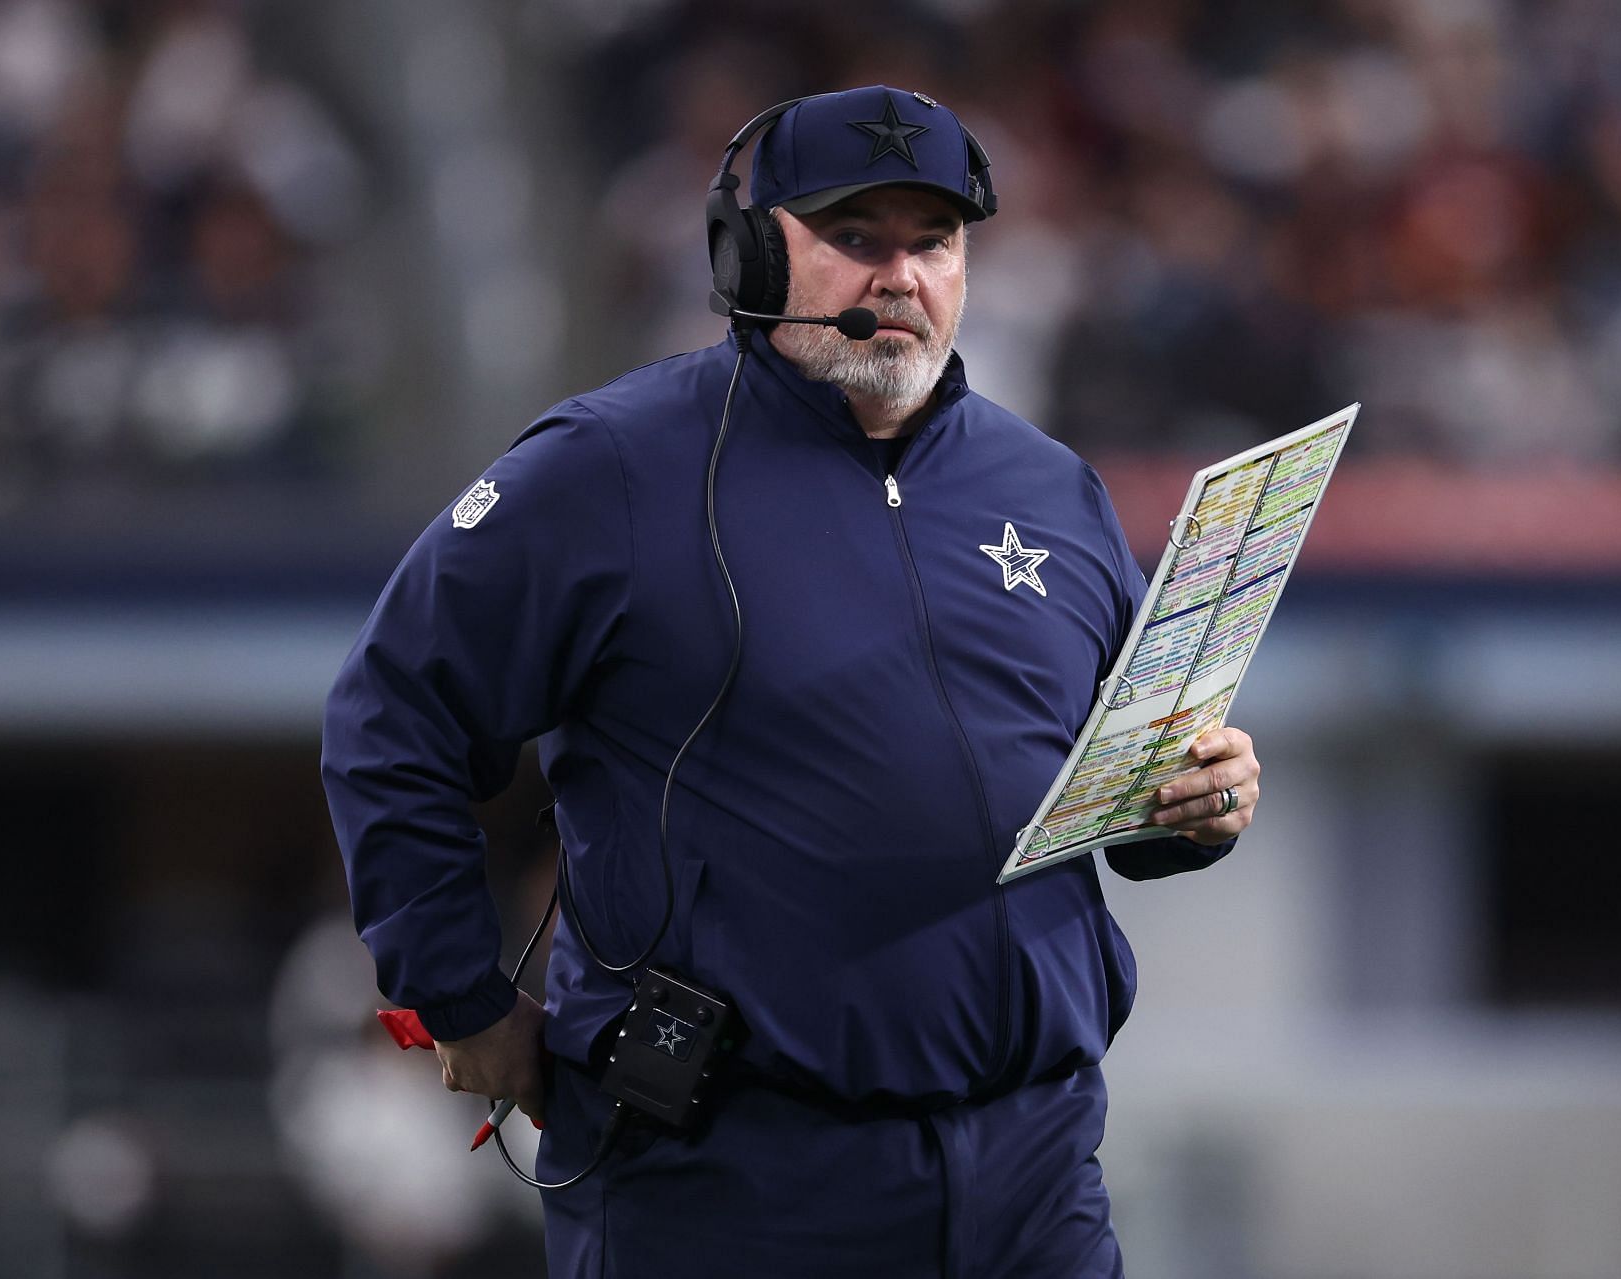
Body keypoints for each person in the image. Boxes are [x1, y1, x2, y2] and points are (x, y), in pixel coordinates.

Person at [322, 85, 1263, 1278]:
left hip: (1034, 1166)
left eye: (933, 243)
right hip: (732, 1180)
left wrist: (1197, 809)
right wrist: (454, 993)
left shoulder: (1051, 490)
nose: (900, 276)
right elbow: (388, 715)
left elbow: (1119, 800)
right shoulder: (610, 467)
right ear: (748, 249)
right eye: (856, 237)